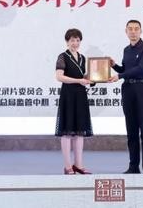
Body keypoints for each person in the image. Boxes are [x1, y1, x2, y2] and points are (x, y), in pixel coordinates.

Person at [109, 19, 143, 174]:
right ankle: (133, 167)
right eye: (130, 29)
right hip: (128, 89)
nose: (133, 32)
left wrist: (120, 75)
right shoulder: (126, 50)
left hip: (142, 89)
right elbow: (126, 69)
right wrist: (114, 66)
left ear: (141, 31)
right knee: (131, 130)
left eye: (136, 29)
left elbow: (141, 68)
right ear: (126, 31)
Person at [55, 28, 93, 175]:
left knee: (79, 132)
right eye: (72, 40)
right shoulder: (63, 56)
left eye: (77, 40)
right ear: (67, 41)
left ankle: (78, 165)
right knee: (66, 131)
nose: (75, 43)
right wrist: (79, 80)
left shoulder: (82, 57)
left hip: (81, 96)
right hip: (68, 96)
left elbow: (85, 76)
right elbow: (59, 77)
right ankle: (68, 166)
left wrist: (94, 79)